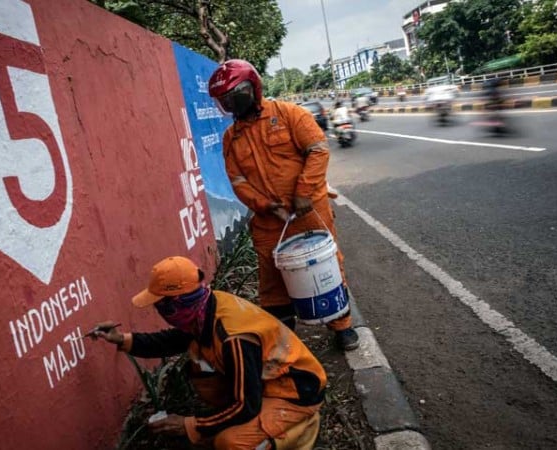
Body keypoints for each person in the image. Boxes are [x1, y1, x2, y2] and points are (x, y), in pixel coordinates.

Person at [91, 256, 325, 449]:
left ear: (176, 303)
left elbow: (247, 406)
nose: (159, 310)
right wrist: (122, 340)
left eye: (160, 305)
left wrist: (190, 425)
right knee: (198, 356)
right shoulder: (205, 308)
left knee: (229, 443)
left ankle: (300, 428)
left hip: (295, 393)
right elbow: (171, 341)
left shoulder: (234, 339)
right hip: (266, 385)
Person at [207, 59, 359, 351]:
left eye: (230, 97)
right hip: (268, 221)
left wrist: (303, 192)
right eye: (222, 100)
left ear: (250, 89)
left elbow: (317, 150)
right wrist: (266, 205)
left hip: (308, 212)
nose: (227, 104)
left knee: (326, 267)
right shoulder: (231, 138)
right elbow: (238, 181)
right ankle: (282, 340)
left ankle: (342, 328)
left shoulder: (289, 114)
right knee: (272, 282)